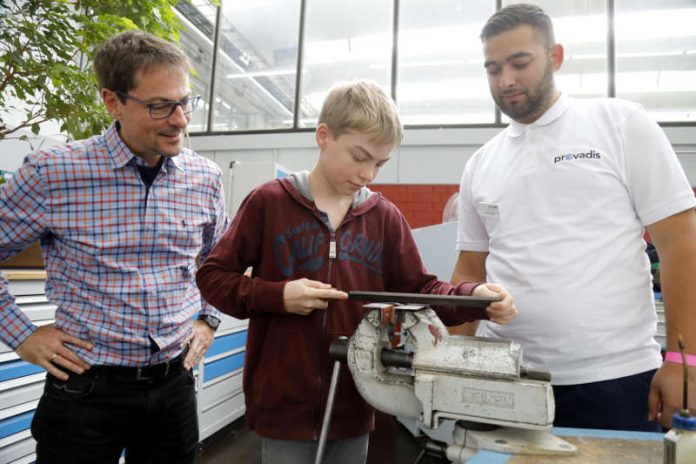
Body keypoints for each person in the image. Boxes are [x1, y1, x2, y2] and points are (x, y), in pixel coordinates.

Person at [196, 80, 518, 463]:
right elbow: (213, 277)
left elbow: (419, 288)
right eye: (359, 157)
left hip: (358, 400)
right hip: (283, 405)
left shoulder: (384, 218)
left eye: (379, 163)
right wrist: (277, 296)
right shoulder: (269, 202)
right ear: (323, 136)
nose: (368, 173)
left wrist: (473, 298)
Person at [451, 3, 696, 432]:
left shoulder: (620, 125)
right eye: (492, 69)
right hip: (500, 379)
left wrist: (684, 360)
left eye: (519, 62)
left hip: (612, 378)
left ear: (556, 57)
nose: (505, 80)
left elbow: (681, 243)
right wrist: (448, 359)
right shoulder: (480, 163)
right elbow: (470, 268)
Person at [0, 30, 229, 463]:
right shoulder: (54, 173)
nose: (180, 119)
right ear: (113, 101)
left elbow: (222, 259)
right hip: (86, 389)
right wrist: (23, 336)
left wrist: (209, 320)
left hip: (174, 385)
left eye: (185, 103)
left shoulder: (206, 178)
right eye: (160, 106)